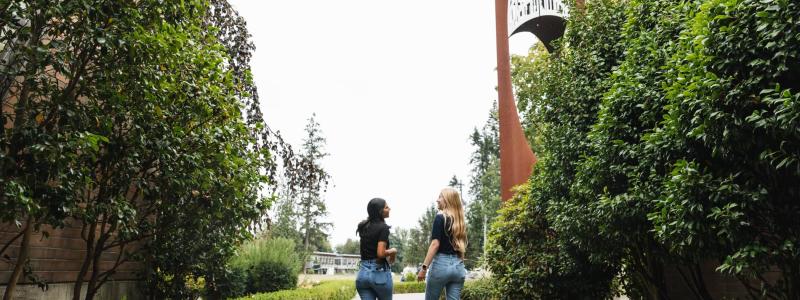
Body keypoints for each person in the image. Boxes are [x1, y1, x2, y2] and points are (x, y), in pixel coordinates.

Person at [417, 188, 467, 300]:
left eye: (440, 197)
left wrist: (424, 268)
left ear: (447, 200)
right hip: (458, 267)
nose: (437, 200)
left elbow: (435, 244)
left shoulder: (440, 217)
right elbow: (462, 247)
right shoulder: (460, 221)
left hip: (441, 265)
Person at [356, 198, 397, 300]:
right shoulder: (383, 228)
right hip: (379, 274)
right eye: (387, 207)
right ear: (380, 211)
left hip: (362, 275)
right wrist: (393, 251)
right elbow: (380, 253)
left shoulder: (363, 226)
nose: (390, 209)